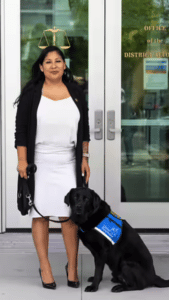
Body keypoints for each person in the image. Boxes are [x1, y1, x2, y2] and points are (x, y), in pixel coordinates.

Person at [14, 45, 90, 289]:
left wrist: (85, 158)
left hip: (69, 161)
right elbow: (21, 132)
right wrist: (22, 161)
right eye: (48, 61)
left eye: (58, 60)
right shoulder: (31, 94)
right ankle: (45, 267)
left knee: (70, 215)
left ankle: (72, 266)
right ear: (41, 67)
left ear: (65, 65)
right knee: (41, 214)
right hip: (40, 163)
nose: (54, 65)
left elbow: (84, 129)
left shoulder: (76, 91)